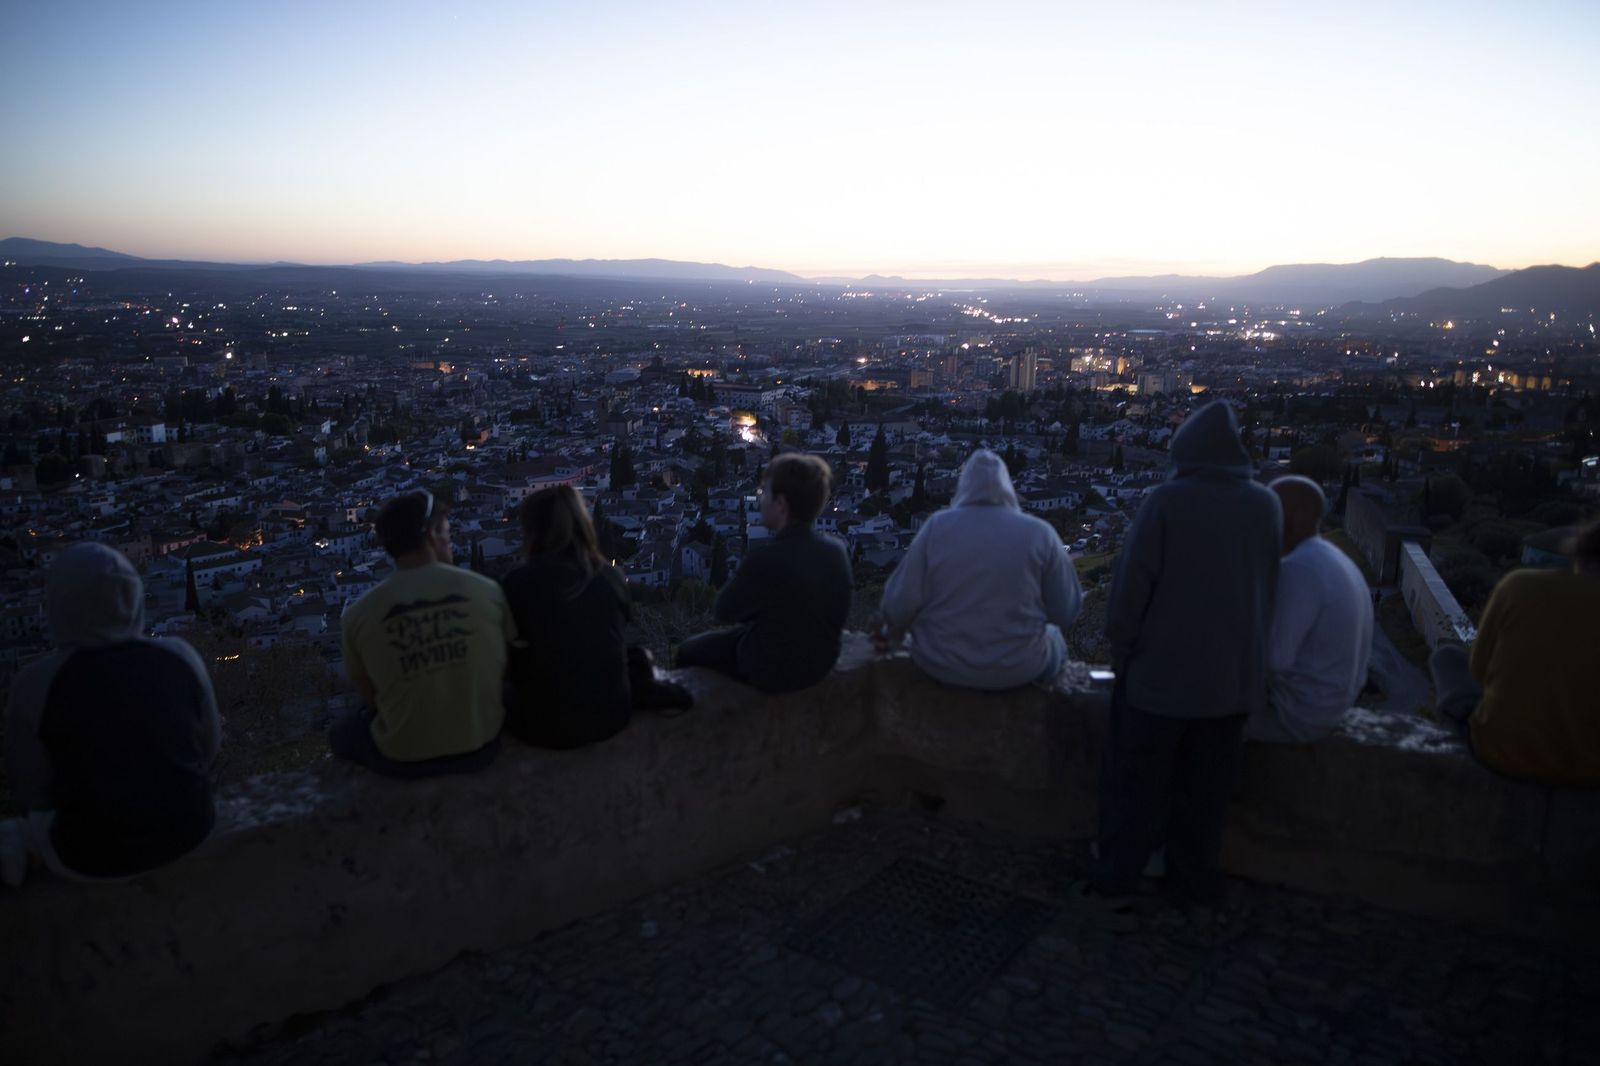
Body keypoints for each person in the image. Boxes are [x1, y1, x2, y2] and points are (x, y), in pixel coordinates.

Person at [1093, 400, 1282, 909]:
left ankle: (1117, 876)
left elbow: (1131, 588)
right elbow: (1269, 590)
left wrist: (1123, 647)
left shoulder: (1167, 502)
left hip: (1160, 680)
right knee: (1207, 798)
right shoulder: (1265, 506)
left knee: (1136, 789)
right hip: (1230, 686)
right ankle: (1196, 883)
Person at [3, 543, 220, 886]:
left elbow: (29, 785)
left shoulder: (34, 683)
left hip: (86, 855)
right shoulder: (180, 656)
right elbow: (208, 749)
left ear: (59, 604)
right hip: (190, 828)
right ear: (133, 594)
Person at [334, 489, 515, 777]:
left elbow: (371, 695)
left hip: (403, 757)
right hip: (482, 747)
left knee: (342, 731)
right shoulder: (486, 589)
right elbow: (505, 667)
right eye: (447, 534)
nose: (451, 544)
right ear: (432, 537)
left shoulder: (356, 615)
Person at [501, 485, 691, 749]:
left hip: (542, 726)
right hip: (612, 715)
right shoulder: (610, 576)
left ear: (532, 530)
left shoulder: (517, 583)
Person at [878, 447, 1083, 689]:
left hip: (941, 664)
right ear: (1007, 487)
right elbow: (1066, 611)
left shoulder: (937, 527)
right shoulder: (1039, 532)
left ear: (963, 487)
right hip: (1020, 667)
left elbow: (897, 605)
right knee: (1054, 638)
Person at [1430, 519, 1600, 786]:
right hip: (1589, 772)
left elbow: (1478, 670)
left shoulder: (1518, 585)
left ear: (1580, 553)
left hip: (1499, 753)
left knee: (1447, 658)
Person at [676, 452, 852, 692]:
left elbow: (724, 611)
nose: (760, 500)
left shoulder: (766, 557)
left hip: (772, 669)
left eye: (764, 493)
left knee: (688, 650)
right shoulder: (836, 550)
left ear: (781, 504)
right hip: (821, 664)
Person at [1247, 476, 1373, 743]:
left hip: (1298, 716)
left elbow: (1274, 659)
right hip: (1331, 708)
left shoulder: (1299, 569)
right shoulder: (1333, 557)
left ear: (1284, 519)